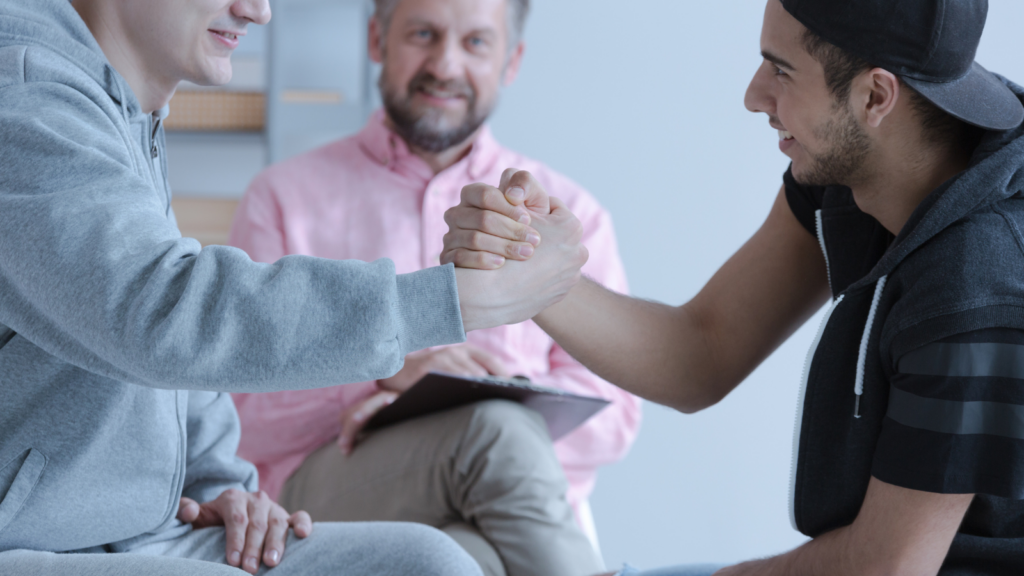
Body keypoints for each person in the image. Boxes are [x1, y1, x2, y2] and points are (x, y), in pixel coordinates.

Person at [0, 0, 588, 574]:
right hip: (36, 537)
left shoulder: (124, 112)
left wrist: (221, 487)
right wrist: (452, 301)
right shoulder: (28, 97)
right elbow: (163, 309)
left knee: (434, 561)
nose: (258, 11)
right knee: (493, 441)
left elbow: (168, 358)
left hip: (145, 524)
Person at [442, 0, 1024, 574]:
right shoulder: (875, 158)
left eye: (781, 70)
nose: (753, 96)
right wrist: (540, 273)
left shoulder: (978, 283)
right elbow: (701, 352)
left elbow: (885, 568)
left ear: (876, 96)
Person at [227, 0, 639, 574]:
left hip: (505, 523)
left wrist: (492, 391)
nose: (445, 65)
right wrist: (384, 375)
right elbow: (241, 413)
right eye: (423, 34)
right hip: (328, 494)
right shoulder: (282, 199)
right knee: (496, 435)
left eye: (475, 42)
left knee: (467, 560)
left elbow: (615, 418)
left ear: (512, 60)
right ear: (377, 40)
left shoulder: (570, 220)